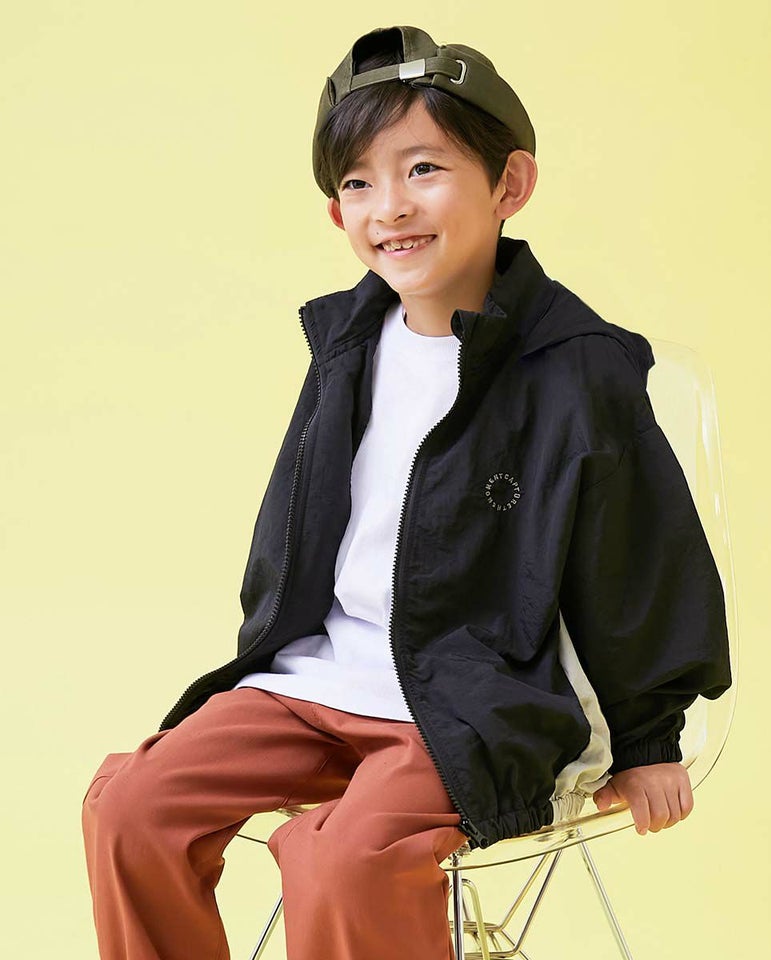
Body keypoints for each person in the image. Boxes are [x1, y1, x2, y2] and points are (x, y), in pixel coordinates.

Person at [81, 23, 732, 960]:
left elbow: (637, 558)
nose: (389, 206)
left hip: (473, 695)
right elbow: (301, 527)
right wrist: (267, 648)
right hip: (317, 675)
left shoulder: (576, 367)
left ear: (510, 185)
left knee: (342, 858)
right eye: (358, 183)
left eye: (423, 168)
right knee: (130, 806)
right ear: (336, 213)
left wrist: (647, 739)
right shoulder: (347, 343)